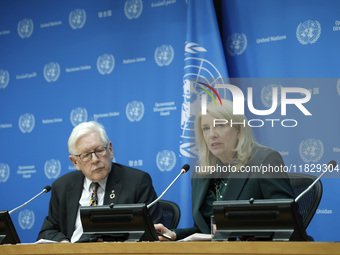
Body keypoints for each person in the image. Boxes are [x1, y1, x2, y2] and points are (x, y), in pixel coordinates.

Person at [155, 99, 295, 241]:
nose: (212, 134)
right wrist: (174, 234)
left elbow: (286, 222)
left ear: (239, 130)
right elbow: (203, 230)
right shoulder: (202, 172)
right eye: (206, 128)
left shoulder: (265, 160)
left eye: (220, 125)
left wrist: (239, 228)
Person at [37, 121, 162, 242]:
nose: (95, 160)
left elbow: (154, 233)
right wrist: (64, 244)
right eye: (86, 155)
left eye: (99, 150)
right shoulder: (62, 187)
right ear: (75, 162)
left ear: (110, 150)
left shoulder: (137, 182)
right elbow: (48, 231)